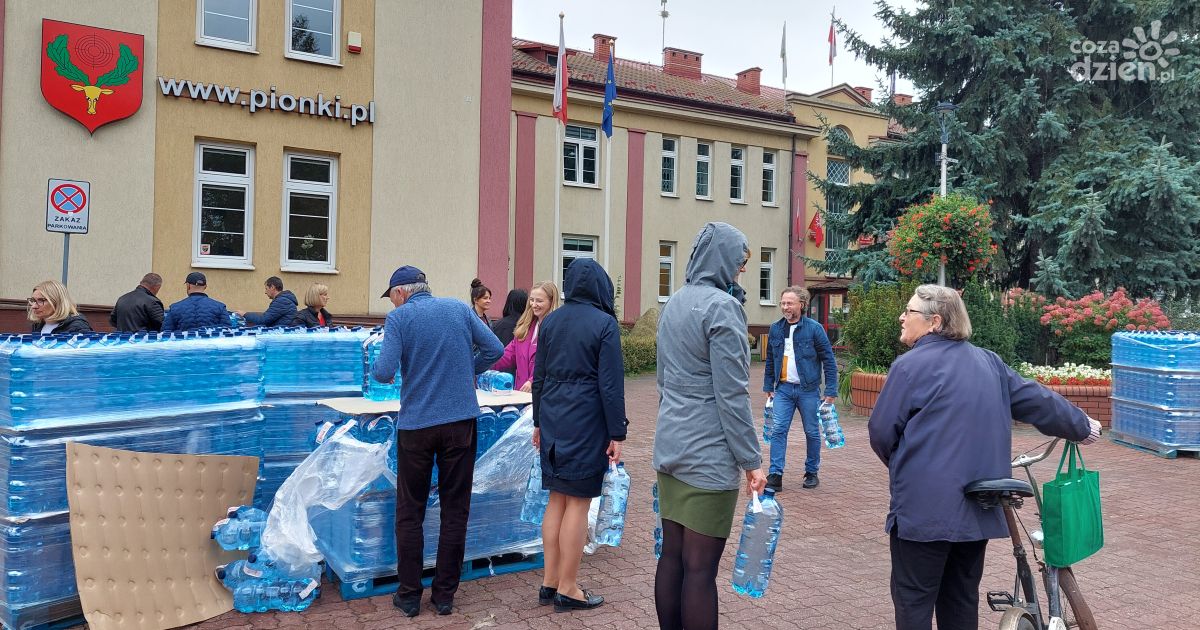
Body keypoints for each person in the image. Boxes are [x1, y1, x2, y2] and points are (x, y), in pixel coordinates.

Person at [868, 284, 1103, 630]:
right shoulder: (989, 362)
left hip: (922, 512)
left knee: (914, 601)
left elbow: (881, 433)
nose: (902, 317)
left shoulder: (909, 366)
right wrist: (1082, 425)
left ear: (935, 321)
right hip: (977, 506)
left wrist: (909, 466)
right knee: (961, 599)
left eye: (909, 311)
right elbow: (1037, 400)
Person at [371, 265, 503, 617]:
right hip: (460, 422)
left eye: (392, 298)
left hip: (417, 426)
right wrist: (467, 370)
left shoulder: (399, 320)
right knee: (454, 509)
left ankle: (410, 595)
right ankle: (444, 596)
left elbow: (383, 372)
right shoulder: (459, 308)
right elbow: (494, 347)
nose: (393, 304)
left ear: (400, 293)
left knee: (410, 510)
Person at [652, 222, 765, 630]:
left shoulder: (674, 303)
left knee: (672, 557)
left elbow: (663, 382)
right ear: (723, 260)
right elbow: (731, 395)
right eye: (739, 263)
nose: (741, 272)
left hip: (670, 448)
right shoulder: (723, 308)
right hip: (708, 457)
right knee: (700, 571)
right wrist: (751, 461)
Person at [532, 258, 626, 613]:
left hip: (553, 418)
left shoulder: (551, 321)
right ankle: (569, 588)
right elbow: (611, 385)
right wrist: (617, 432)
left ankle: (550, 580)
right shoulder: (604, 324)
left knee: (557, 497)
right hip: (586, 421)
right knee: (578, 501)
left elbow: (538, 376)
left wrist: (538, 422)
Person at [762, 286, 838, 490]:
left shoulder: (814, 329)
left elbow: (829, 361)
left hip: (808, 390)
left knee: (812, 432)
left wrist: (831, 391)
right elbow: (770, 359)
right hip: (784, 390)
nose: (785, 307)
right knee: (778, 430)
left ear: (801, 305)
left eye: (789, 303)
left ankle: (811, 472)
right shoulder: (775, 328)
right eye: (783, 303)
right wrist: (768, 385)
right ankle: (775, 474)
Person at [492, 282, 560, 393]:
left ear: (551, 302)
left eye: (539, 301)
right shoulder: (525, 328)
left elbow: (555, 363)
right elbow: (506, 356)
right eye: (532, 300)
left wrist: (533, 381)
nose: (534, 304)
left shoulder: (558, 330)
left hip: (545, 395)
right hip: (521, 394)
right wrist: (482, 363)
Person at [162, 272, 228, 332]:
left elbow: (165, 333)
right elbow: (227, 331)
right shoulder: (220, 307)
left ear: (188, 286)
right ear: (205, 287)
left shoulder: (175, 308)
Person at [28, 280, 93, 334]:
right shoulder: (38, 324)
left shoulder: (77, 326)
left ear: (57, 301)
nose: (34, 306)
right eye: (33, 300)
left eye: (41, 300)